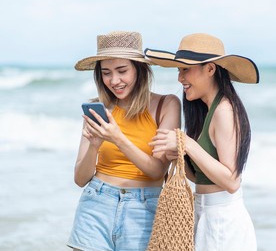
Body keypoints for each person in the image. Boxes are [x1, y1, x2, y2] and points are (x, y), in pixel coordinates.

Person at [67, 31, 181, 251]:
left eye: (122, 71)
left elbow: (157, 171)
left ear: (139, 70)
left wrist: (117, 138)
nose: (114, 81)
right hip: (96, 203)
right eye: (106, 73)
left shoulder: (167, 105)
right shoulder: (97, 109)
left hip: (144, 208)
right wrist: (94, 146)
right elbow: (80, 179)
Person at [145, 33, 259, 251]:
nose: (180, 78)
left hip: (223, 221)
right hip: (204, 213)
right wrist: (177, 154)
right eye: (179, 70)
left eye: (186, 69)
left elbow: (232, 181)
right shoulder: (205, 110)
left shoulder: (224, 110)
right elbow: (200, 176)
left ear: (210, 69)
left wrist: (187, 143)